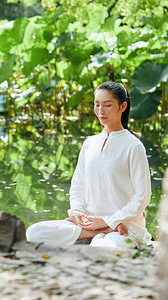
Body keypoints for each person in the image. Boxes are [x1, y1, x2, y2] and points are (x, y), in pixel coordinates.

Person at [26, 82, 152, 248]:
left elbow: (141, 198)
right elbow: (78, 186)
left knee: (104, 250)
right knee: (33, 232)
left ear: (123, 107)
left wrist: (109, 221)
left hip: (124, 227)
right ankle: (96, 234)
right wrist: (77, 212)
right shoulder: (89, 143)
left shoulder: (133, 146)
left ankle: (102, 233)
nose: (100, 111)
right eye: (97, 104)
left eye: (107, 105)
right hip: (89, 223)